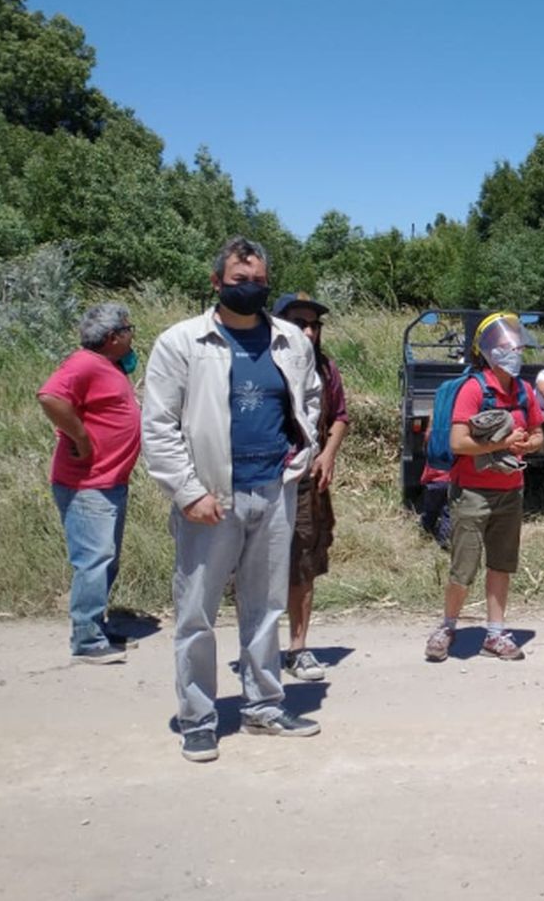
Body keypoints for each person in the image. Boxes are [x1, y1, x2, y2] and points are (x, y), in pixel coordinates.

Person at [141, 236, 324, 763]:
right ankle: (198, 718)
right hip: (210, 499)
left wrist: (302, 451)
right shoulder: (182, 343)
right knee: (196, 612)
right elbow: (158, 426)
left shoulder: (291, 339)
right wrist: (187, 491)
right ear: (216, 282)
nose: (250, 288)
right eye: (239, 280)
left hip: (274, 489)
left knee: (266, 607)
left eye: (258, 280)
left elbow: (310, 396)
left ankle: (265, 705)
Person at [423, 312, 544, 663]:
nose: (516, 351)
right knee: (464, 567)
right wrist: (502, 444)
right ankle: (447, 627)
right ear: (488, 350)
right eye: (508, 346)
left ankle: (495, 633)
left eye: (518, 345)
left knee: (502, 565)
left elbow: (538, 434)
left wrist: (527, 445)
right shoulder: (474, 389)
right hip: (472, 492)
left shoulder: (524, 390)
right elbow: (460, 443)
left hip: (511, 490)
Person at [36, 302, 142, 664]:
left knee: (105, 560)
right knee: (94, 560)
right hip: (86, 483)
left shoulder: (106, 365)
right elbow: (50, 396)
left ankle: (95, 625)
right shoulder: (83, 363)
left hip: (108, 481)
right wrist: (81, 439)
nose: (132, 337)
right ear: (113, 337)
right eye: (129, 331)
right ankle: (86, 640)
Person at [273, 292, 350, 682]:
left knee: (303, 559)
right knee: (256, 565)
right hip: (262, 479)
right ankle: (259, 648)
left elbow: (339, 416)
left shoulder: (325, 368)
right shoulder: (262, 361)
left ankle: (298, 648)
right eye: (300, 322)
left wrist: (328, 454)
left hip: (306, 480)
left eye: (314, 325)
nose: (308, 330)